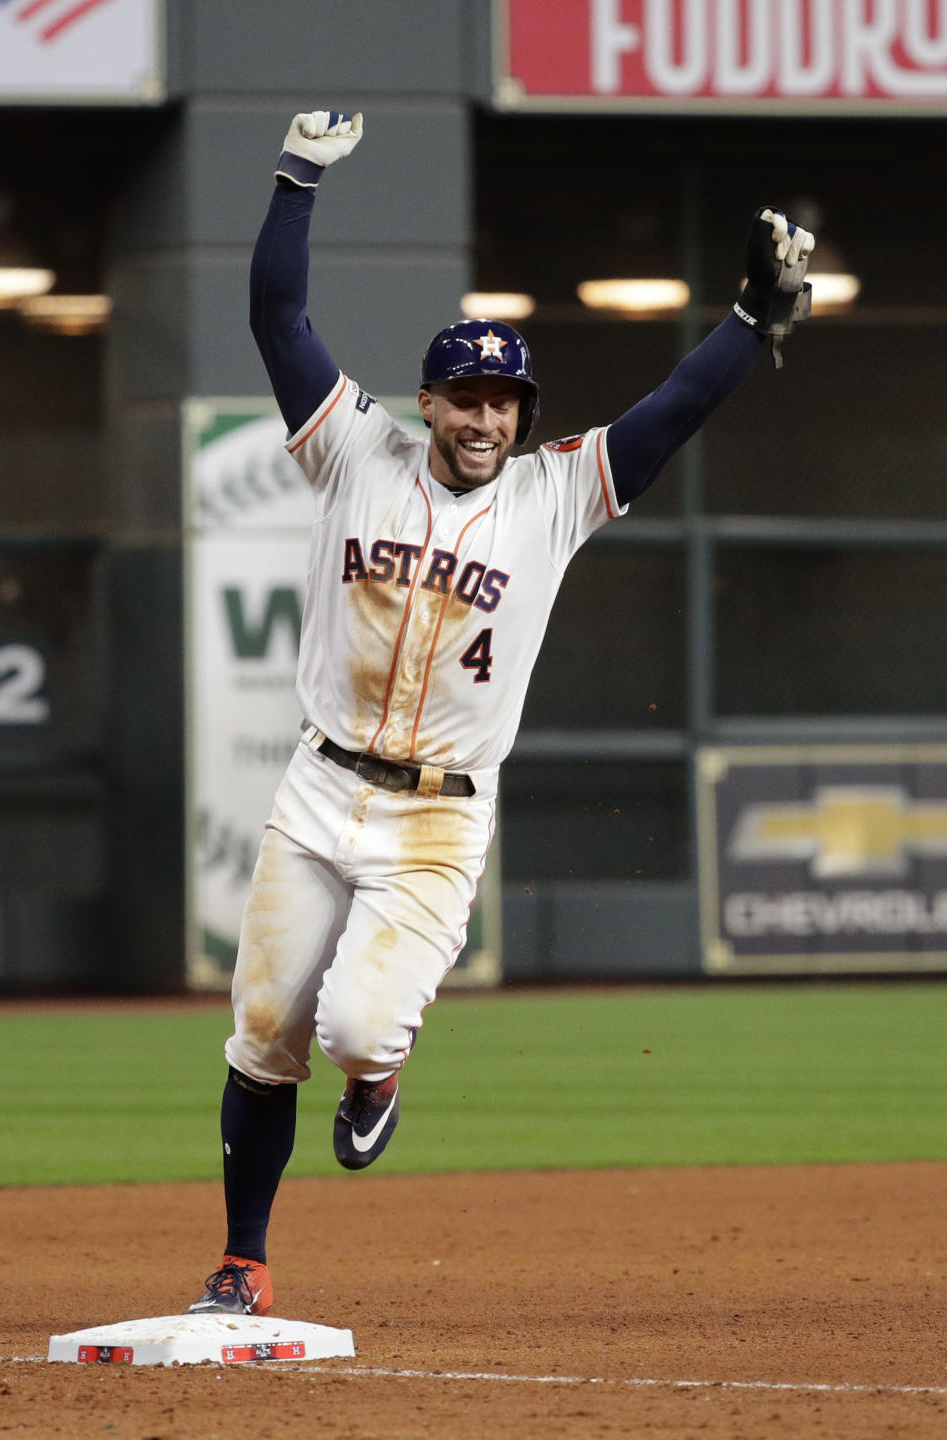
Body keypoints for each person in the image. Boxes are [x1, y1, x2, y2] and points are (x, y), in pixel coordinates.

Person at [187, 111, 815, 1317]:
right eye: (465, 397)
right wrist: (296, 178)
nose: (484, 419)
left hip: (435, 821)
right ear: (427, 400)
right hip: (320, 788)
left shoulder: (554, 493)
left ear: (524, 417)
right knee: (264, 1027)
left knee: (358, 1030)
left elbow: (673, 408)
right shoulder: (353, 451)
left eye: (504, 402)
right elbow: (279, 319)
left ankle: (376, 1081)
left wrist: (745, 322)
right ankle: (244, 1259)